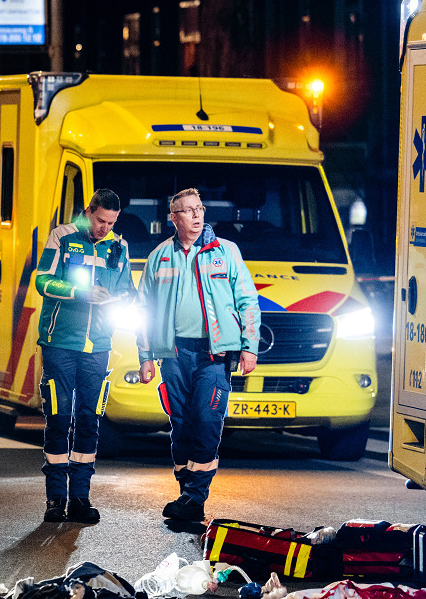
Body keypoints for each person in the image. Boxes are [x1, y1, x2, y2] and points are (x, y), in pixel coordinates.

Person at [136, 188, 260, 522]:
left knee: (207, 420)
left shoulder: (226, 252)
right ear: (173, 218)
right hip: (174, 353)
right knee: (181, 425)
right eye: (188, 211)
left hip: (214, 355)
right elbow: (144, 309)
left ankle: (193, 497)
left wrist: (250, 346)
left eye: (199, 208)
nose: (196, 215)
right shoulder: (159, 256)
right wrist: (145, 355)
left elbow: (248, 301)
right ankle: (187, 494)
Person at [34, 189, 133, 524]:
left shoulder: (119, 247)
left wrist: (119, 300)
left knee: (90, 421)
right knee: (59, 418)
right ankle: (54, 500)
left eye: (111, 222)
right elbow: (42, 281)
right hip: (59, 342)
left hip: (98, 346)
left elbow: (126, 291)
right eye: (101, 220)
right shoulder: (62, 237)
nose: (105, 228)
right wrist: (80, 293)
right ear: (89, 212)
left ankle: (80, 498)